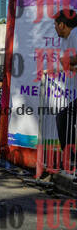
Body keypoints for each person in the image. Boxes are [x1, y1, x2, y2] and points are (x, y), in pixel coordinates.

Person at [53, 10, 77, 159]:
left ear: (62, 24)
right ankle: (71, 158)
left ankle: (72, 158)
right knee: (63, 118)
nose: (55, 28)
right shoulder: (66, 39)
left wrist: (69, 61)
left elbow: (67, 61)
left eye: (55, 25)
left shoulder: (75, 33)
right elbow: (65, 64)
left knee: (63, 118)